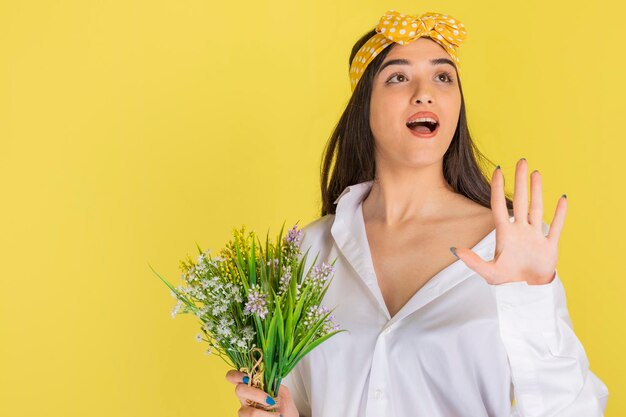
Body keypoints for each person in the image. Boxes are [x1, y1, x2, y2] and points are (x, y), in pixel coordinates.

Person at [225, 10, 609, 417]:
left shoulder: (511, 247)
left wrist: (533, 298)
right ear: (364, 107)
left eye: (443, 77)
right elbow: (297, 402)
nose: (425, 92)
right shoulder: (305, 253)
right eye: (398, 77)